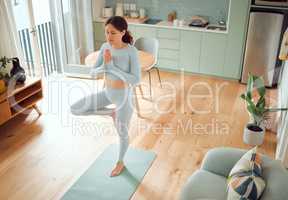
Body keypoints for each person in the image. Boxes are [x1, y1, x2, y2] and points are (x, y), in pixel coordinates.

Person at [70, 16, 141, 177]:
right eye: (107, 32)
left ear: (123, 32)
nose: (109, 37)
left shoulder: (131, 51)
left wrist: (112, 68)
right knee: (75, 109)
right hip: (107, 93)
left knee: (122, 134)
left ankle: (120, 162)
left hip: (124, 99)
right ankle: (110, 113)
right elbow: (93, 72)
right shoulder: (105, 47)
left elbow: (136, 79)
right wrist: (103, 66)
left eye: (113, 33)